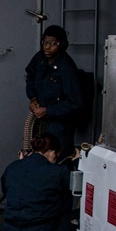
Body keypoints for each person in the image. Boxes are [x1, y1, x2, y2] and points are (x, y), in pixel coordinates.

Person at [0, 133, 75, 231]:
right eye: (56, 156)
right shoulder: (59, 171)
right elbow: (72, 192)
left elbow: (6, 191)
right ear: (52, 152)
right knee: (79, 218)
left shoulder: (12, 167)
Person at [25, 25, 82, 159]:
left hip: (59, 124)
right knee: (36, 156)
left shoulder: (67, 67)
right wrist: (33, 98)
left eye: (53, 44)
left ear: (62, 45)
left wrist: (48, 110)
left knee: (58, 157)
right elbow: (30, 76)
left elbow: (75, 102)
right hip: (40, 120)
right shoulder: (39, 58)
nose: (47, 47)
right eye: (45, 42)